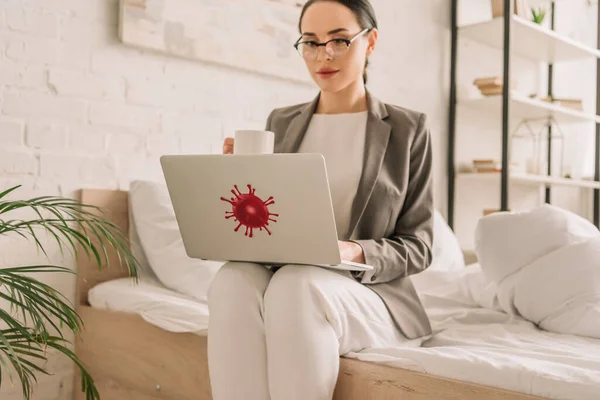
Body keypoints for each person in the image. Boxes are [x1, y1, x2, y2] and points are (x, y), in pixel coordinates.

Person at [209, 1, 434, 399]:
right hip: (288, 281)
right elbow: (266, 227)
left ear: (371, 42)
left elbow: (419, 246)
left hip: (370, 294)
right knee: (232, 279)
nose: (324, 55)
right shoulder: (281, 123)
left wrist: (350, 251)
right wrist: (238, 186)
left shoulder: (407, 129)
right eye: (311, 42)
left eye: (340, 41)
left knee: (297, 285)